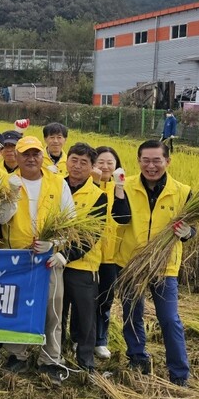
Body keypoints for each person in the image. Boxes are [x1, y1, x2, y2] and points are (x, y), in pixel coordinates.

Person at [0, 135, 76, 386]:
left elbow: (69, 219)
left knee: (52, 307)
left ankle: (50, 358)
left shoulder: (57, 183)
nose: (31, 158)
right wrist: (10, 197)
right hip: (17, 258)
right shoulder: (8, 182)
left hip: (48, 258)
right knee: (17, 306)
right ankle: (16, 354)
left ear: (42, 156)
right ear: (16, 157)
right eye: (25, 154)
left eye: (35, 154)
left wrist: (55, 245)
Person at [116, 140, 194, 386]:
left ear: (167, 162)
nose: (151, 166)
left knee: (169, 319)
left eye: (156, 160)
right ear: (138, 161)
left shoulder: (183, 191)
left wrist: (187, 232)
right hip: (131, 263)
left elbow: (194, 228)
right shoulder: (124, 186)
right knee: (131, 315)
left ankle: (179, 374)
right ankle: (138, 358)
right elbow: (117, 218)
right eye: (145, 160)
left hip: (164, 266)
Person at [60, 143, 129, 372]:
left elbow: (91, 235)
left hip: (83, 264)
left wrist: (65, 256)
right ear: (66, 160)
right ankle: (54, 354)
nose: (77, 166)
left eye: (84, 162)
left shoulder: (98, 196)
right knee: (56, 312)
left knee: (85, 314)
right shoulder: (55, 186)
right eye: (74, 160)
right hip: (51, 263)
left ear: (91, 168)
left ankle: (86, 361)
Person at [93, 146, 126, 360]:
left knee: (105, 299)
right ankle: (80, 337)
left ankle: (100, 340)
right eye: (100, 162)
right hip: (88, 254)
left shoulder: (123, 187)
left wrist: (120, 187)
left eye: (110, 163)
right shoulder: (87, 185)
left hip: (112, 255)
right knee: (84, 299)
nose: (105, 166)